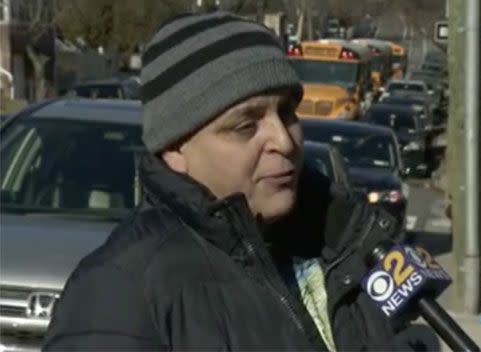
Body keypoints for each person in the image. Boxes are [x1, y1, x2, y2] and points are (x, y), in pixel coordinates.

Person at [43, 12, 435, 351]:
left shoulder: (347, 246)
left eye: (287, 112)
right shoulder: (121, 290)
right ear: (175, 149)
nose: (282, 140)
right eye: (246, 125)